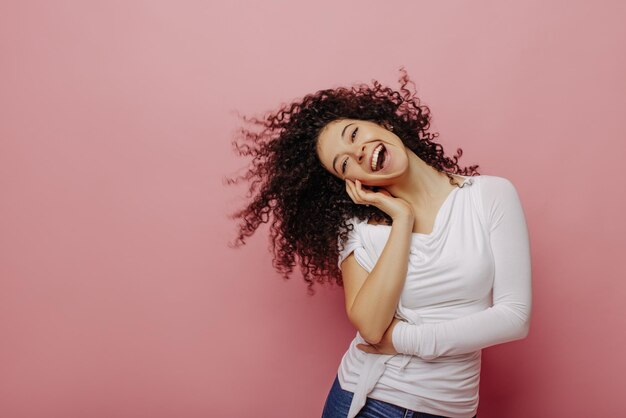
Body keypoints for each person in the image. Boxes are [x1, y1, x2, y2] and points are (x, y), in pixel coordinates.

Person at [228, 68, 532, 418]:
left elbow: (514, 317)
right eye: (344, 163)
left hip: (454, 407)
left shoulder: (490, 195)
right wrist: (401, 219)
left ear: (382, 124)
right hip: (370, 401)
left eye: (354, 133)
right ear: (352, 182)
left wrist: (401, 341)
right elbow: (371, 328)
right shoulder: (356, 227)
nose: (357, 152)